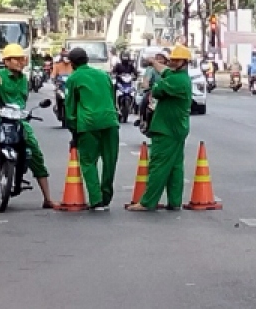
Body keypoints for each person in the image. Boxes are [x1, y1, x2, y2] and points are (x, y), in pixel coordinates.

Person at [0, 44, 57, 209]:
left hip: (19, 120)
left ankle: (47, 198)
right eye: (16, 59)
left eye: (22, 59)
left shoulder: (24, 79)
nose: (20, 62)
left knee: (34, 150)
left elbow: (21, 103)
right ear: (6, 61)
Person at [127, 44, 193, 212]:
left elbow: (155, 90)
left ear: (183, 62)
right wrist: (152, 62)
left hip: (167, 129)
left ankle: (147, 202)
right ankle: (174, 201)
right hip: (177, 128)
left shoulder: (176, 81)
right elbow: (164, 70)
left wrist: (153, 82)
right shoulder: (179, 76)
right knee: (175, 166)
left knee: (158, 165)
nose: (171, 62)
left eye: (175, 60)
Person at [63, 47, 120, 210]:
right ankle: (107, 195)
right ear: (87, 59)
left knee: (88, 161)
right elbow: (111, 97)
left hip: (88, 124)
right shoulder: (103, 75)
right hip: (110, 121)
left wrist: (73, 130)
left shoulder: (74, 78)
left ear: (72, 63)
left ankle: (97, 200)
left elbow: (70, 107)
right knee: (110, 160)